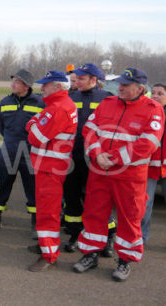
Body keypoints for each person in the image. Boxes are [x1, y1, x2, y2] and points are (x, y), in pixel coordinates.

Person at [73, 68, 164, 282]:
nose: (120, 87)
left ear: (140, 89)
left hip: (130, 177)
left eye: (125, 84)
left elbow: (148, 143)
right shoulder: (107, 103)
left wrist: (113, 157)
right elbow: (89, 129)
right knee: (94, 213)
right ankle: (90, 254)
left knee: (129, 218)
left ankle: (124, 261)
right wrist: (96, 153)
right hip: (99, 172)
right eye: (120, 84)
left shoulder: (153, 109)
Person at [0, 69, 44, 237]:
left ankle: (36, 223)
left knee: (33, 188)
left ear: (26, 86)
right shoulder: (5, 102)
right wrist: (11, 141)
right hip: (8, 151)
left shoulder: (40, 103)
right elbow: (1, 126)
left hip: (31, 153)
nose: (13, 84)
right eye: (13, 81)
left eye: (17, 82)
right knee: (2, 185)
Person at [25, 70, 77, 272]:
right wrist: (36, 122)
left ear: (57, 87)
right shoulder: (56, 106)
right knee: (46, 209)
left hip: (50, 168)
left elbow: (35, 137)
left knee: (48, 212)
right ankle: (45, 245)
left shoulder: (58, 109)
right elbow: (39, 126)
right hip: (48, 166)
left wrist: (32, 124)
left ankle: (49, 255)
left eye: (45, 85)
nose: (41, 88)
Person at [63, 63, 114, 253]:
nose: (77, 82)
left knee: (97, 200)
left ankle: (107, 238)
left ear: (94, 80)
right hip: (72, 157)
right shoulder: (71, 97)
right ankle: (75, 235)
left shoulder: (107, 99)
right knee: (72, 197)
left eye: (82, 79)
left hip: (95, 159)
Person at [141, 83, 166, 243]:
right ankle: (141, 238)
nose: (155, 95)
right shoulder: (145, 112)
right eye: (153, 93)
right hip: (149, 165)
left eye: (160, 93)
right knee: (145, 204)